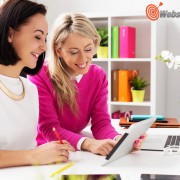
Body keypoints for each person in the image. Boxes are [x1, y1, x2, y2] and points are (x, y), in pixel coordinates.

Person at [29, 13, 144, 156]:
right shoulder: (40, 75)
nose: (83, 58)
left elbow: (101, 123)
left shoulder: (98, 75)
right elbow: (49, 129)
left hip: (77, 149)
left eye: (88, 49)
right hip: (45, 151)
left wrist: (119, 140)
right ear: (58, 50)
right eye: (73, 52)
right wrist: (89, 143)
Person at [0, 0, 75, 169]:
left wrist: (51, 152)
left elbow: (26, 150)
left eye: (45, 37)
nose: (43, 46)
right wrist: (35, 155)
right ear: (10, 34)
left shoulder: (30, 89)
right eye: (37, 36)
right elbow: (29, 154)